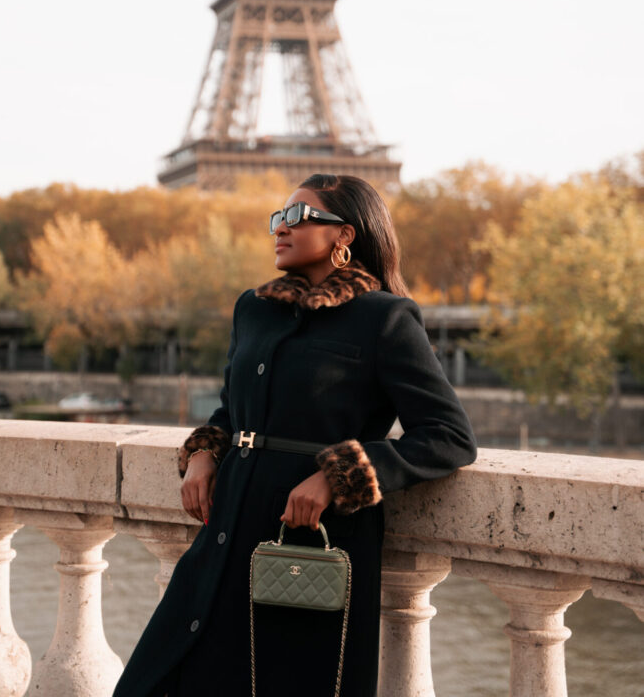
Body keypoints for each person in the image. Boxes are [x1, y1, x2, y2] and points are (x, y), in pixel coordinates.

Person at [113, 173, 477, 697]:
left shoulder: (384, 318)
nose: (279, 229)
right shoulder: (253, 310)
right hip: (226, 531)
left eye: (296, 217)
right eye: (276, 218)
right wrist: (202, 453)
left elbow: (448, 436)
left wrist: (338, 477)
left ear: (344, 235)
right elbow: (231, 411)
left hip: (306, 550)